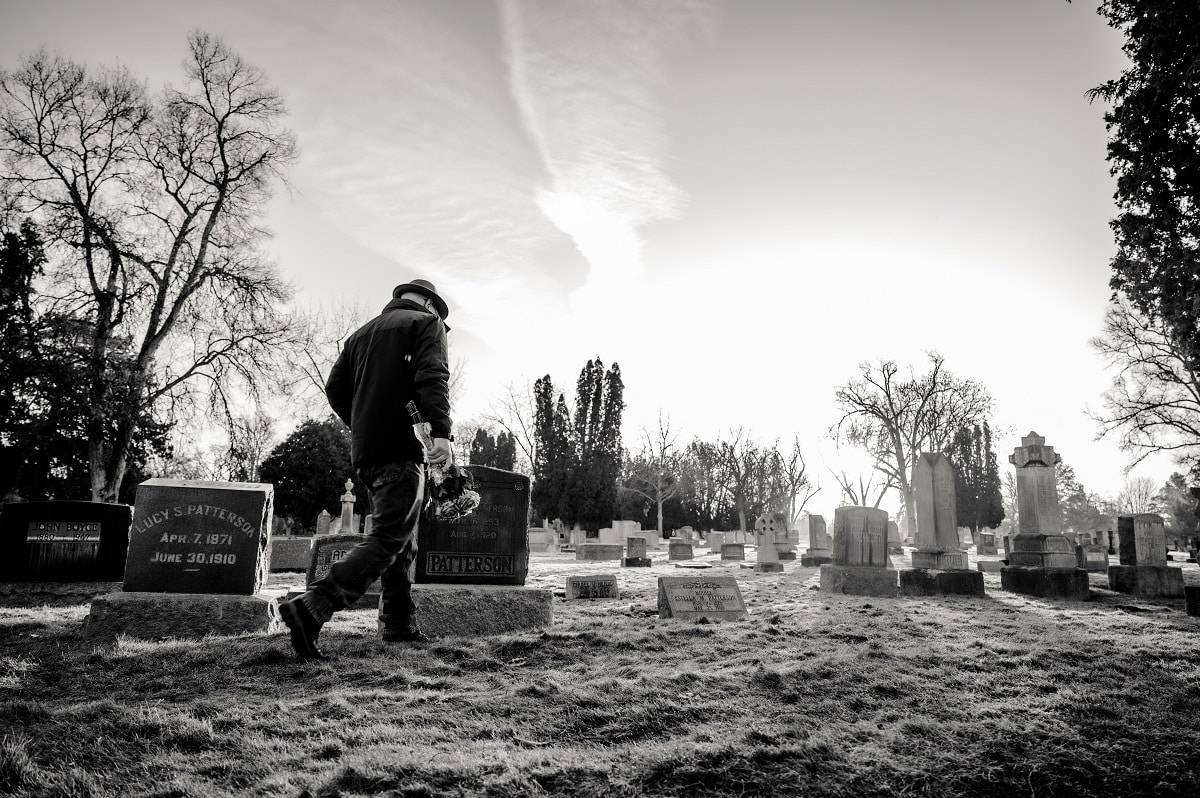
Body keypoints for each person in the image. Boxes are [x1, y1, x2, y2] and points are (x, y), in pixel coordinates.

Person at [278, 279, 453, 661]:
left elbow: (335, 390)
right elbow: (432, 376)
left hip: (368, 450)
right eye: (437, 308)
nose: (438, 315)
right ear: (427, 301)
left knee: (401, 538)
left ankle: (397, 623)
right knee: (391, 535)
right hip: (403, 447)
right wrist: (440, 433)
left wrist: (363, 425)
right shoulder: (425, 324)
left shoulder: (359, 335)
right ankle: (313, 607)